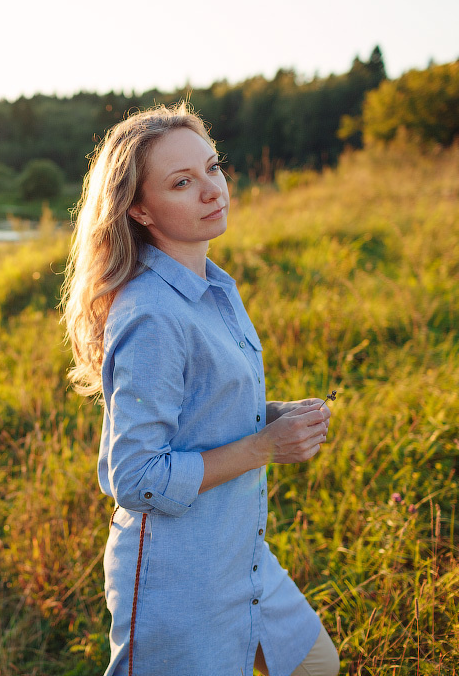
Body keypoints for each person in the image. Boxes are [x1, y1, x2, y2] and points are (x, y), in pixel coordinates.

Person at [61, 104, 340, 676]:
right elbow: (135, 477)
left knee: (313, 663)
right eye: (182, 182)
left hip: (239, 553)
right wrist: (266, 446)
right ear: (138, 209)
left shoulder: (211, 286)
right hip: (176, 578)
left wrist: (272, 416)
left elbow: (201, 410)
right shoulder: (151, 314)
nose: (212, 189)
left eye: (213, 168)